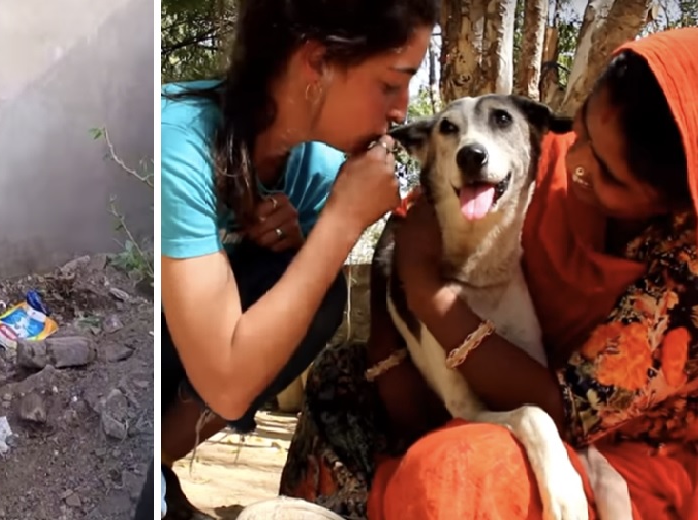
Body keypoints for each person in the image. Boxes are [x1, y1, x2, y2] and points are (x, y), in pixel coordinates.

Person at [279, 27, 698, 519]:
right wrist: (386, 358)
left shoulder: (682, 280)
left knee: (458, 470)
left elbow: (568, 413)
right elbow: (412, 220)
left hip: (619, 447)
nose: (575, 162)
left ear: (677, 204)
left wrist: (431, 295)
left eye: (606, 173)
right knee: (338, 377)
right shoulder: (536, 156)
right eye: (581, 129)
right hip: (480, 390)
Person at [154, 0, 439, 517]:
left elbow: (261, 349)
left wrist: (313, 240)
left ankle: (158, 463)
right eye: (391, 83)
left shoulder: (317, 172)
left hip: (185, 376)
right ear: (317, 63)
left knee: (319, 294)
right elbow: (226, 381)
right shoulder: (178, 143)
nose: (400, 112)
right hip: (137, 361)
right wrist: (339, 225)